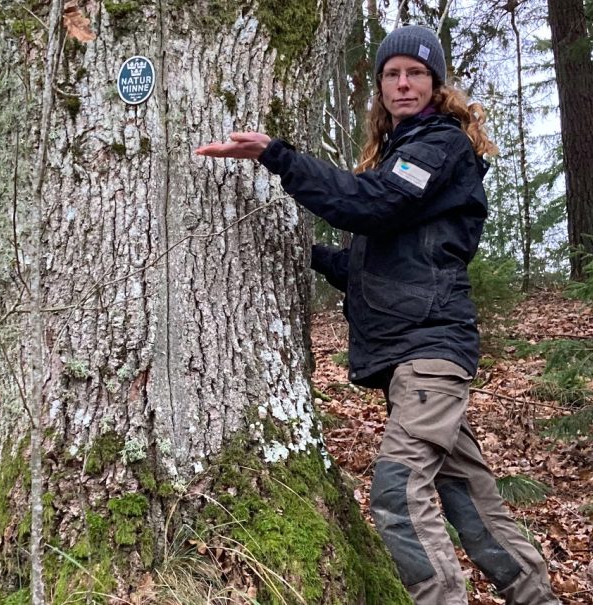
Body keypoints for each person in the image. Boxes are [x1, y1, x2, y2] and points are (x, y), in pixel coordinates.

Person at [195, 24, 558, 605]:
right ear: (381, 87)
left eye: (416, 73)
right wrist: (301, 254)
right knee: (470, 498)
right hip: (416, 357)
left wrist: (278, 156)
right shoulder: (403, 156)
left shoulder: (438, 147)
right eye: (392, 74)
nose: (403, 83)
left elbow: (369, 204)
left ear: (436, 84)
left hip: (430, 355)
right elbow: (377, 265)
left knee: (396, 489)